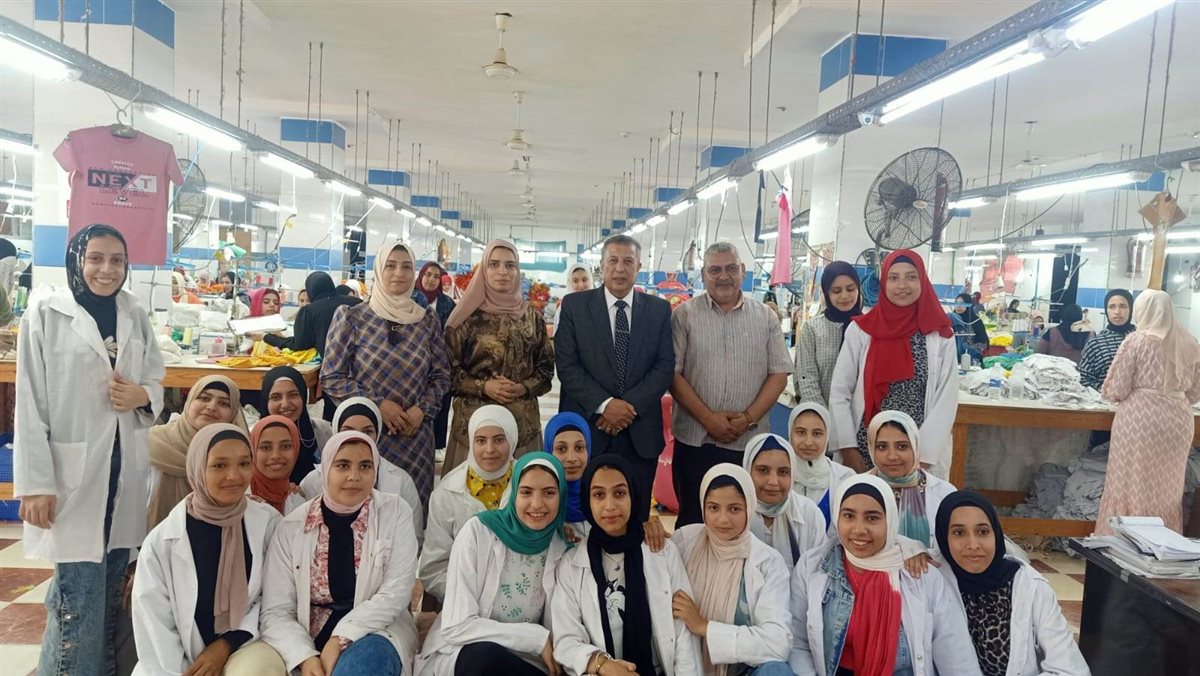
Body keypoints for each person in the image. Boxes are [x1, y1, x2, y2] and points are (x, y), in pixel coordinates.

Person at [15, 224, 166, 676]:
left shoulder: (133, 312)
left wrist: (143, 396)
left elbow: (155, 377)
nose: (106, 269)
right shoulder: (46, 313)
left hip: (122, 472)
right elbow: (30, 403)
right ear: (77, 260)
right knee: (78, 602)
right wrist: (36, 484)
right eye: (95, 258)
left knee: (104, 602)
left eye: (117, 260)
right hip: (70, 478)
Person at [261, 432, 420, 676]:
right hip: (306, 632)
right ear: (326, 470)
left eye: (365, 466)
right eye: (343, 465)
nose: (354, 476)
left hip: (376, 627)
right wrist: (305, 656)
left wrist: (341, 638)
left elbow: (396, 591)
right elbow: (277, 610)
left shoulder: (395, 512)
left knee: (361, 668)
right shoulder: (292, 527)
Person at [788, 475, 982, 676]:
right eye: (849, 516)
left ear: (890, 520)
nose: (859, 529)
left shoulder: (921, 573)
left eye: (872, 518)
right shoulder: (814, 566)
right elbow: (798, 643)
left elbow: (956, 656)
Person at [132, 424, 286, 675]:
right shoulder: (162, 542)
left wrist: (226, 644)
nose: (234, 476)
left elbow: (274, 599)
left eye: (244, 463)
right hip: (174, 660)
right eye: (219, 465)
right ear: (197, 468)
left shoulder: (268, 523)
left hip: (244, 644)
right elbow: (154, 627)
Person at [416, 453, 572, 676]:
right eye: (526, 492)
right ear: (513, 493)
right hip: (469, 654)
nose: (537, 504)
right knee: (485, 657)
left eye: (549, 493)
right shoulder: (478, 532)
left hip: (527, 661)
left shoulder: (561, 548)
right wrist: (534, 638)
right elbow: (456, 626)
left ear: (561, 495)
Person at [322, 241, 452, 506]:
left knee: (412, 511)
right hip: (368, 436)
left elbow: (441, 375)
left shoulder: (426, 320)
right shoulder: (353, 317)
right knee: (364, 510)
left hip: (415, 438)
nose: (398, 274)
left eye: (406, 267)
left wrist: (422, 410)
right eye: (390, 266)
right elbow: (331, 376)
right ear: (378, 270)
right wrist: (377, 405)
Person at [671, 242, 792, 526]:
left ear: (743, 271)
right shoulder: (684, 316)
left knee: (744, 522)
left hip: (748, 444)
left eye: (731, 268)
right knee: (692, 521)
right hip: (695, 442)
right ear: (704, 274)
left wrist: (747, 419)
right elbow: (672, 375)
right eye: (715, 270)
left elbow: (779, 374)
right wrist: (708, 419)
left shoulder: (765, 317)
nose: (723, 276)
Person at [550, 454, 703, 676]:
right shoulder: (572, 564)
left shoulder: (662, 550)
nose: (610, 505)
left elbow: (683, 634)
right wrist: (604, 665)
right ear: (587, 501)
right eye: (599, 495)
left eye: (620, 493)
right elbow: (567, 641)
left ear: (634, 495)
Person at [555, 234, 675, 502]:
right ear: (601, 266)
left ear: (639, 266)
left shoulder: (659, 310)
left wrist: (627, 408)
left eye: (628, 261)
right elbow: (567, 365)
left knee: (635, 510)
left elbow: (664, 366)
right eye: (613, 261)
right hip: (588, 431)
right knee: (584, 512)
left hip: (640, 434)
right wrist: (605, 405)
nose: (620, 268)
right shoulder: (575, 307)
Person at [830, 249, 958, 477]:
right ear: (884, 282)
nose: (902, 285)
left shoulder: (940, 333)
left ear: (923, 280)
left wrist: (923, 459)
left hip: (918, 454)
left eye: (911, 277)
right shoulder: (862, 329)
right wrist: (847, 448)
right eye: (893, 277)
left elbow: (946, 400)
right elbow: (840, 391)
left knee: (915, 501)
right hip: (865, 450)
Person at [934, 491, 1088, 676]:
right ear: (943, 537)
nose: (973, 544)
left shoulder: (1031, 586)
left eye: (983, 532)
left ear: (996, 534)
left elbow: (1070, 670)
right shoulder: (931, 581)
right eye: (959, 533)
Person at [670, 464, 794, 676]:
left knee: (776, 671)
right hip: (682, 666)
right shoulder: (683, 542)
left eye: (734, 509)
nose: (723, 519)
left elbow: (778, 644)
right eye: (713, 508)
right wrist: (649, 530)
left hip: (742, 672)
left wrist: (704, 627)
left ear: (749, 508)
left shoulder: (768, 562)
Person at [443, 240, 554, 474]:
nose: (503, 271)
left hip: (522, 430)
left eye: (510, 265)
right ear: (484, 269)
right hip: (473, 432)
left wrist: (523, 387)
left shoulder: (532, 318)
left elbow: (546, 371)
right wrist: (484, 386)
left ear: (517, 271)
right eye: (494, 264)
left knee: (522, 491)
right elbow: (446, 373)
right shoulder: (464, 318)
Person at [1095, 289, 1200, 536]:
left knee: (1130, 484)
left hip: (1139, 421)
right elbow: (1195, 393)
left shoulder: (1136, 340)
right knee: (1167, 489)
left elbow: (1116, 388)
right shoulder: (1190, 343)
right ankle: (1162, 541)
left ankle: (1124, 541)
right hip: (1178, 422)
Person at [418, 406, 518, 601]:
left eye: (499, 440)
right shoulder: (446, 493)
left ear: (512, 440)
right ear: (471, 442)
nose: (489, 449)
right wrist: (473, 596)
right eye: (481, 440)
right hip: (463, 601)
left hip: (519, 600)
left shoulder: (528, 484)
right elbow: (433, 570)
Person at [299, 397, 425, 541]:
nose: (357, 437)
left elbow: (414, 538)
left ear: (377, 434)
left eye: (367, 432)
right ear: (335, 432)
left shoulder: (401, 480)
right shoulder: (312, 481)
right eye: (348, 431)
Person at [148, 375, 250, 529]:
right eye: (204, 398)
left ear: (233, 413)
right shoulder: (154, 445)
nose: (212, 407)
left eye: (224, 403)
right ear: (189, 402)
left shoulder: (240, 451)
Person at [866, 410, 956, 556]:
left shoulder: (944, 493)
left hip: (932, 569)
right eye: (882, 447)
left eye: (902, 446)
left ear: (915, 446)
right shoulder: (857, 489)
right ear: (871, 449)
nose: (892, 456)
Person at [742, 433, 828, 568]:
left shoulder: (808, 512)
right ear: (747, 471)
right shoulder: (734, 511)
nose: (773, 482)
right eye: (763, 470)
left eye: (783, 472)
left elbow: (819, 568)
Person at [794, 262, 862, 408]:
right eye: (836, 291)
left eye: (850, 289)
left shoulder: (868, 328)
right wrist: (823, 415)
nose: (844, 296)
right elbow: (807, 378)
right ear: (826, 293)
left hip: (861, 417)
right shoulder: (812, 329)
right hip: (821, 415)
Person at [257, 366, 333, 484]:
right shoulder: (255, 439)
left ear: (303, 396)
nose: (285, 404)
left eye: (293, 395)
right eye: (276, 397)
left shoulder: (323, 432)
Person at [788, 403, 856, 531]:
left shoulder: (845, 477)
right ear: (790, 433)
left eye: (817, 433)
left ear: (827, 435)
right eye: (801, 432)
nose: (808, 442)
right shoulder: (779, 475)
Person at [263, 271, 360, 360]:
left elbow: (300, 344)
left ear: (310, 290)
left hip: (335, 364)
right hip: (364, 362)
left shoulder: (310, 311)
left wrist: (267, 337)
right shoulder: (357, 302)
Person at [415, 261, 458, 450]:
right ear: (421, 275)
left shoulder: (447, 303)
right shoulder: (410, 298)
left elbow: (452, 333)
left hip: (440, 362)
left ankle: (437, 444)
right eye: (428, 275)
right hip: (416, 363)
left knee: (439, 403)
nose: (431, 280)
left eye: (436, 276)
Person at [545, 411, 592, 539]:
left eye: (579, 448)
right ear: (549, 451)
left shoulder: (602, 494)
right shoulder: (538, 502)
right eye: (561, 449)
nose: (571, 458)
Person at [1079, 289, 1136, 391]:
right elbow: (1084, 379)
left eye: (1123, 306)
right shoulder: (1096, 344)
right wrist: (1108, 392)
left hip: (1141, 400)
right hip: (1105, 399)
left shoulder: (1143, 339)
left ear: (1131, 309)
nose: (1117, 312)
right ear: (1106, 310)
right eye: (1112, 307)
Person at [249, 415, 307, 515]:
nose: (275, 455)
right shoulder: (237, 497)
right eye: (266, 447)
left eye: (285, 446)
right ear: (252, 451)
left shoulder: (299, 502)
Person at [950, 292, 990, 363]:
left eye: (962, 303)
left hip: (971, 359)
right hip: (952, 358)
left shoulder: (976, 321)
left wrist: (969, 349)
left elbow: (983, 342)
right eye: (956, 303)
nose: (958, 306)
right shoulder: (951, 320)